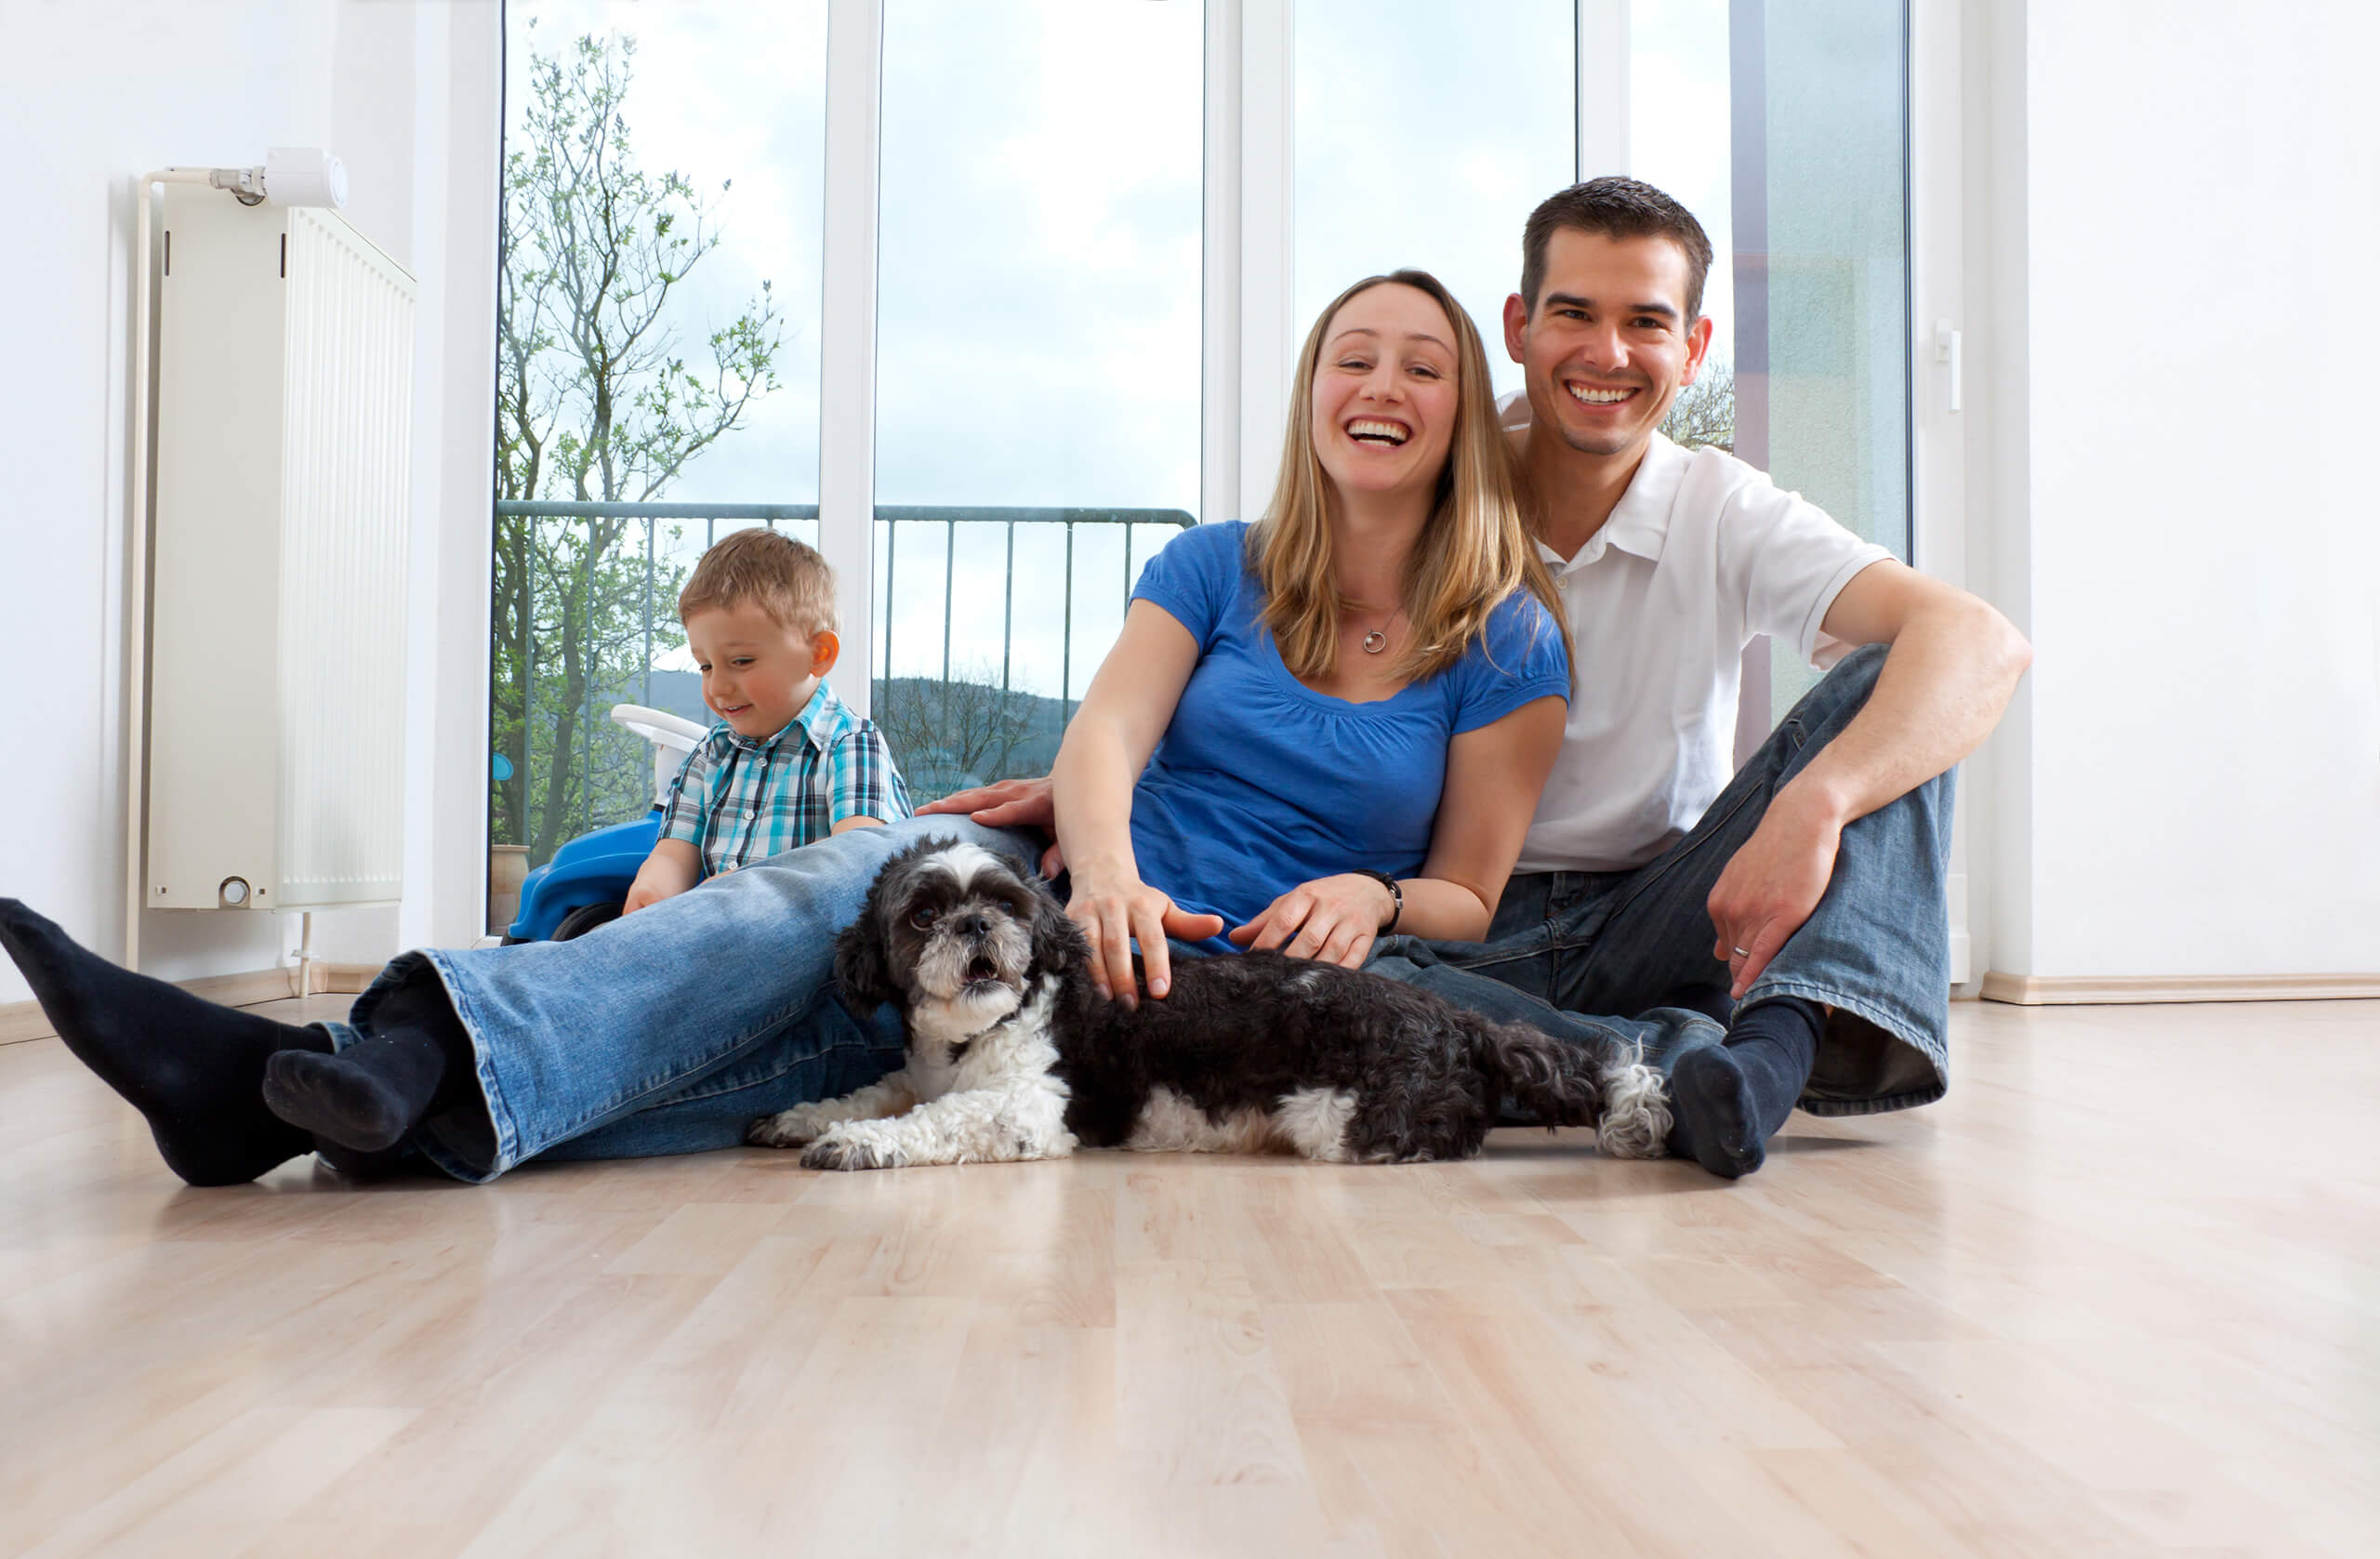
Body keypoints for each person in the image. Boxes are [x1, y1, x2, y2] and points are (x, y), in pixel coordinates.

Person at [0, 270, 1569, 1187]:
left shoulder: (1506, 631)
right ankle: (388, 1054)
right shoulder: (1212, 563)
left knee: (799, 1047)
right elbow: (1103, 741)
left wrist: (1374, 894)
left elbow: (1468, 894)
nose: (1382, 382)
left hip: (1219, 970)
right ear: (1312, 395)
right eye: (1351, 357)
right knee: (810, 898)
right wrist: (1095, 874)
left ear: (1458, 412)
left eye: (1422, 365)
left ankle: (336, 1101)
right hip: (1060, 883)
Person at [932, 177, 2032, 1180]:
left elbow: (1979, 642)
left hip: (1659, 904)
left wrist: (1814, 805)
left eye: (1645, 322)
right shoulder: (1419, 456)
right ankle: (1680, 1065)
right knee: (1311, 991)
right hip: (1459, 919)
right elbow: (1275, 668)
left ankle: (1777, 1051)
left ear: (1691, 347)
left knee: (1904, 683)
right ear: (1518, 328)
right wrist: (1109, 788)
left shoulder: (1724, 510)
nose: (1607, 352)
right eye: (1573, 313)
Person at [624, 528, 910, 915]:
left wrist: (746, 889)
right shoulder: (710, 754)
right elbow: (674, 855)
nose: (719, 686)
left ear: (819, 654)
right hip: (710, 937)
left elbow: (859, 865)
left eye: (741, 661)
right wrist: (651, 896)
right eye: (705, 666)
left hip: (813, 958)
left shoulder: (851, 745)